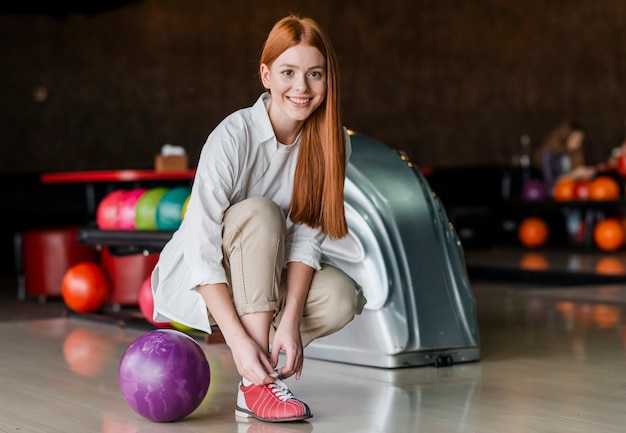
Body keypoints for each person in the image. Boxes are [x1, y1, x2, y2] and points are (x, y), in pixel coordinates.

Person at [150, 15, 366, 423]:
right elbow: (201, 247)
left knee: (341, 296)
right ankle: (257, 385)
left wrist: (289, 322)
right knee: (261, 212)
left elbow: (306, 240)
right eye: (288, 72)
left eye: (314, 74)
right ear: (266, 75)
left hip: (266, 283)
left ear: (328, 79)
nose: (301, 88)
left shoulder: (332, 144)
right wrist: (236, 339)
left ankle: (258, 370)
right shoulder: (233, 136)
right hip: (205, 283)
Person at [532, 120, 596, 192]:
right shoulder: (548, 154)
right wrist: (573, 175)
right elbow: (549, 182)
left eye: (580, 141)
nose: (578, 144)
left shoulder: (575, 154)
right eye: (575, 139)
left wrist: (584, 175)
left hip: (571, 194)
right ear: (565, 137)